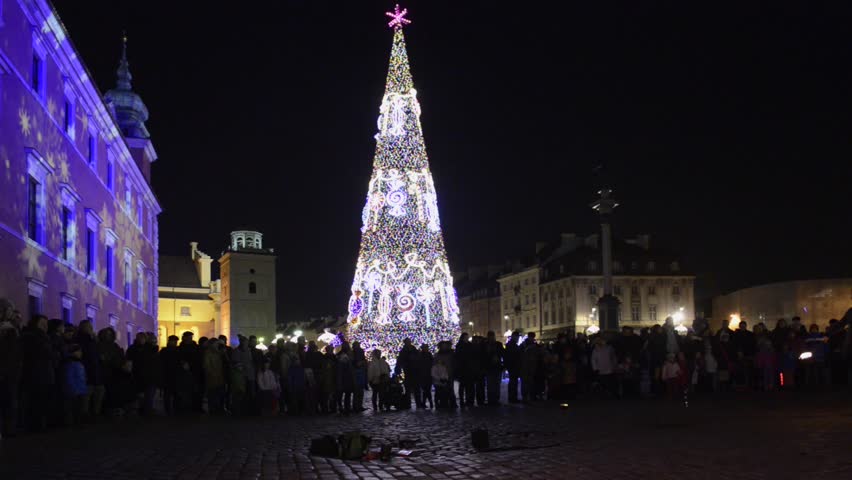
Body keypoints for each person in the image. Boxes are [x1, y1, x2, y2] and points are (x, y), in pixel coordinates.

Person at [20, 315, 55, 431]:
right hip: (35, 373)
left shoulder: (43, 337)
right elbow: (42, 353)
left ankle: (39, 424)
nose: (45, 326)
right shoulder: (32, 336)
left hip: (43, 373)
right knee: (36, 401)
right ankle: (36, 425)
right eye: (42, 324)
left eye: (46, 324)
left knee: (41, 400)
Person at [0, 300, 23, 438]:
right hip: (8, 370)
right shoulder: (10, 330)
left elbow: (13, 353)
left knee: (9, 400)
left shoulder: (11, 329)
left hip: (9, 371)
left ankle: (9, 428)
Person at [74, 320, 104, 420]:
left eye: (90, 326)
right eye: (88, 326)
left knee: (98, 393)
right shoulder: (79, 340)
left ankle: (95, 413)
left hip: (95, 370)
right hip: (86, 370)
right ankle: (85, 415)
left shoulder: (93, 340)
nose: (90, 328)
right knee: (86, 395)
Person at [126, 332, 155, 415]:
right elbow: (129, 360)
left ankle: (147, 409)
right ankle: (141, 409)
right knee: (139, 394)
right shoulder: (132, 348)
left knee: (148, 394)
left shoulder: (149, 348)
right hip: (137, 374)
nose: (142, 339)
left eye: (143, 338)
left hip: (148, 374)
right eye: (140, 338)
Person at [62, 344, 87, 425]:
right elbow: (69, 378)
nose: (81, 353)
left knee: (78, 409)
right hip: (76, 391)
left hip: (79, 390)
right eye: (79, 351)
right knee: (75, 409)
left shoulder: (76, 362)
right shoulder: (71, 363)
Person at [202, 338, 226, 414]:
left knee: (218, 393)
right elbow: (207, 366)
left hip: (219, 377)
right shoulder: (208, 353)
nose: (217, 345)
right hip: (212, 377)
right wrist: (211, 374)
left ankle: (218, 408)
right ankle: (212, 409)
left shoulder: (218, 352)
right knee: (212, 394)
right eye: (216, 343)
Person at [159, 335, 181, 415]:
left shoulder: (177, 350)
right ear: (169, 341)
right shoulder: (164, 351)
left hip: (175, 375)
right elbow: (161, 363)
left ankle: (175, 409)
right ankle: (168, 409)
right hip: (167, 375)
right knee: (168, 394)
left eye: (176, 341)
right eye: (174, 341)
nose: (175, 343)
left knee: (175, 393)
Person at [396, 338, 420, 409]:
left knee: (416, 389)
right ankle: (409, 404)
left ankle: (417, 404)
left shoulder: (413, 349)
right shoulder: (404, 351)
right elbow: (400, 360)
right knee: (409, 389)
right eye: (408, 342)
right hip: (408, 371)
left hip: (414, 371)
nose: (409, 343)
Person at [482, 331, 503, 406]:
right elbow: (483, 356)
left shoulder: (498, 344)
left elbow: (502, 354)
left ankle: (495, 399)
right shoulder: (485, 345)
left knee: (496, 384)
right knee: (491, 385)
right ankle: (491, 400)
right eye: (490, 336)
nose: (491, 338)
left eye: (492, 336)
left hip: (496, 367)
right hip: (489, 368)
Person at [336, 342, 355, 413]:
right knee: (343, 393)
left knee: (347, 393)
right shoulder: (342, 355)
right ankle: (343, 407)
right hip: (344, 376)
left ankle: (346, 407)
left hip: (347, 376)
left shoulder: (343, 354)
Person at [504, 332, 521, 403]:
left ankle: (513, 397)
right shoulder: (512, 345)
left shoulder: (511, 344)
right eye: (517, 337)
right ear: (514, 337)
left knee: (513, 382)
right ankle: (512, 398)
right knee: (513, 382)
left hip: (513, 366)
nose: (518, 338)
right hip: (513, 366)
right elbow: (512, 357)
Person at [351, 341, 367, 412]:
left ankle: (358, 406)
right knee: (358, 391)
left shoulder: (358, 352)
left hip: (359, 372)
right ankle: (357, 406)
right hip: (357, 373)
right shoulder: (354, 353)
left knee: (359, 391)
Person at [417, 344, 434, 409]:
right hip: (425, 375)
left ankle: (425, 403)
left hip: (426, 375)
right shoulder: (427, 355)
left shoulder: (424, 355)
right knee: (426, 390)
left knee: (426, 390)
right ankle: (430, 403)